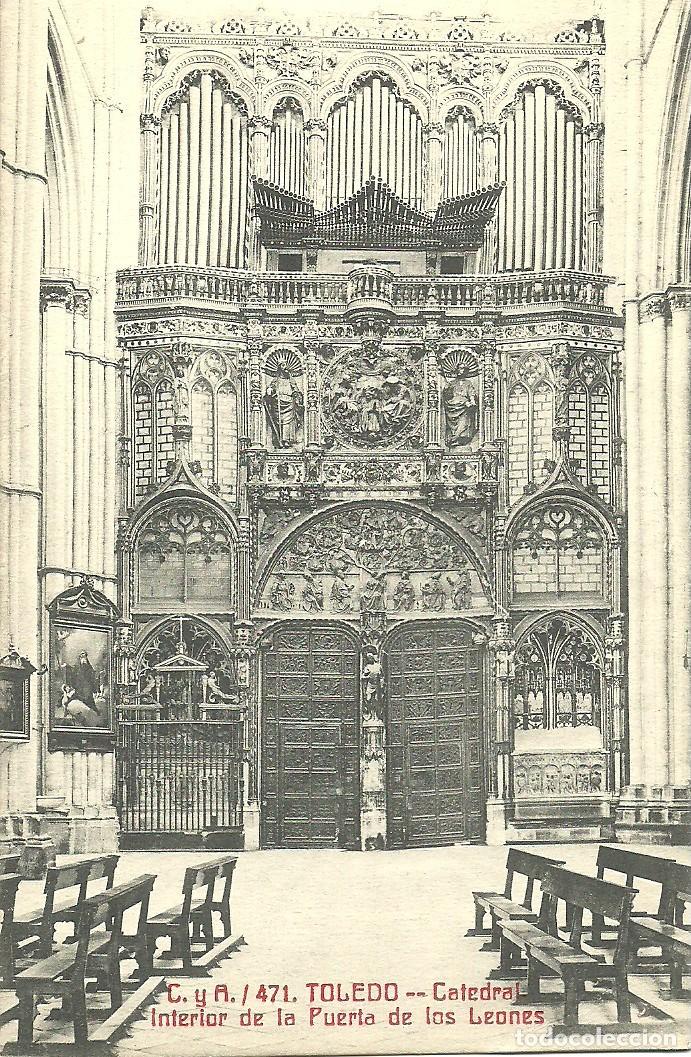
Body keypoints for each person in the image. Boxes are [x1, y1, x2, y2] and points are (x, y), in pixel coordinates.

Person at [264, 367, 303, 447]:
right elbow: (271, 388)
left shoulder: (291, 380)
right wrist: (269, 390)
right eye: (283, 366)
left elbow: (296, 390)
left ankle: (286, 440)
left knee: (288, 422)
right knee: (279, 421)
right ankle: (278, 440)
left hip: (289, 402)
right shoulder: (276, 380)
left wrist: (297, 397)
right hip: (278, 403)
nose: (286, 369)